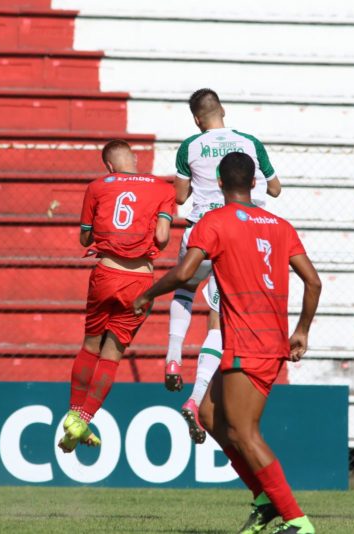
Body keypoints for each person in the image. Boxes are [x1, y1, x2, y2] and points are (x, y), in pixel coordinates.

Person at [134, 152, 321, 534]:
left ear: (219, 183)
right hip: (263, 339)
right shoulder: (280, 225)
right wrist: (301, 330)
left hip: (251, 343)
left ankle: (297, 520)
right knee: (209, 416)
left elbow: (185, 273)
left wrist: (147, 294)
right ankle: (265, 500)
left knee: (244, 432)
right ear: (253, 182)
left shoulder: (214, 222)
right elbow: (314, 281)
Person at [167, 88, 282, 446]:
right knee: (219, 319)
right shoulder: (250, 143)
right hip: (240, 234)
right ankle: (196, 396)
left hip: (201, 229)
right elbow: (275, 189)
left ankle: (173, 358)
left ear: (196, 119)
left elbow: (179, 197)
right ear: (223, 111)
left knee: (185, 289)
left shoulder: (190, 146)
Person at [58, 139, 175, 452]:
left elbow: (85, 238)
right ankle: (84, 418)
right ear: (134, 159)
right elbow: (162, 238)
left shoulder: (97, 187)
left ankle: (73, 413)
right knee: (112, 355)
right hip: (140, 281)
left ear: (109, 166)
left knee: (90, 346)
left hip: (106, 274)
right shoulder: (163, 188)